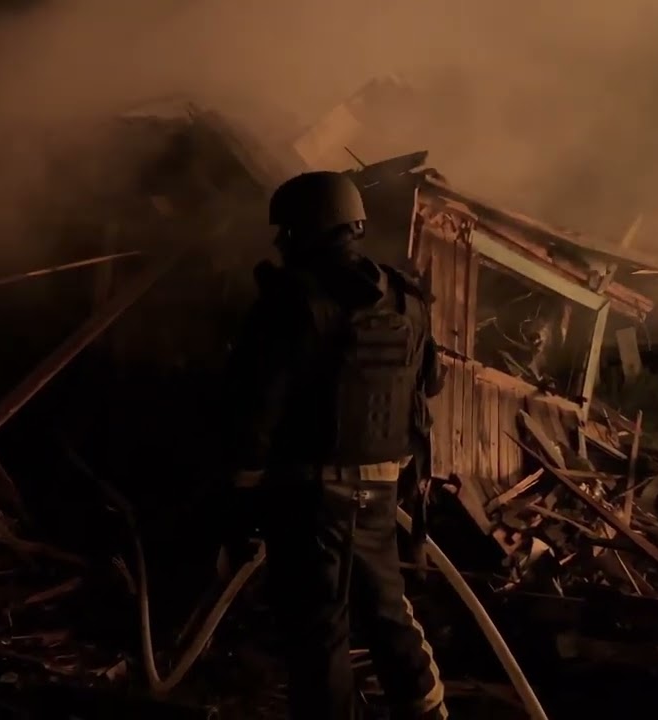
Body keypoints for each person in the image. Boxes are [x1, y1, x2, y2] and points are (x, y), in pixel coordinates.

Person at [221, 170, 448, 719]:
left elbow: (256, 409)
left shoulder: (289, 301)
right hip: (380, 495)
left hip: (308, 500)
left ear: (301, 232)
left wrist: (241, 497)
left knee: (318, 634)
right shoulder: (406, 301)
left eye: (285, 232)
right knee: (390, 617)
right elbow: (430, 384)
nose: (279, 243)